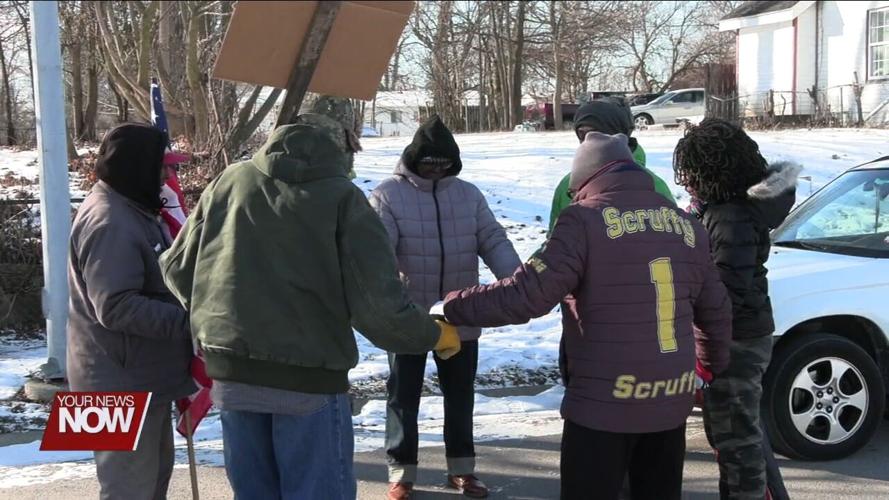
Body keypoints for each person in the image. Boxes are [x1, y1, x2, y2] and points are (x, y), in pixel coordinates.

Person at [160, 114, 461, 500]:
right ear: (337, 147)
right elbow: (378, 308)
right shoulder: (342, 198)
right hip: (309, 379)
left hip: (232, 376)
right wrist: (432, 334)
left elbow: (176, 268)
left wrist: (218, 315)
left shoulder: (229, 181)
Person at [439, 132, 733, 500]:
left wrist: (451, 306)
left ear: (588, 178)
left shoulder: (582, 221)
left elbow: (526, 295)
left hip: (602, 405)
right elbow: (716, 312)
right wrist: (711, 367)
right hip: (669, 399)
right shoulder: (687, 226)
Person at [369, 115, 521, 500]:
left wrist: (519, 283)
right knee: (403, 397)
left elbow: (494, 240)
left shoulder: (468, 195)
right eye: (428, 164)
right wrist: (386, 301)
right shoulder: (388, 195)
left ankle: (462, 469)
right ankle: (401, 472)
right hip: (409, 317)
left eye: (444, 164)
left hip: (459, 313)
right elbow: (377, 255)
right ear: (413, 160)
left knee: (460, 396)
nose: (436, 171)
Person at [67, 123, 195, 500]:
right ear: (137, 167)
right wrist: (192, 322)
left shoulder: (129, 208)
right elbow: (116, 306)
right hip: (115, 385)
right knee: (129, 492)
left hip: (137, 377)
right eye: (162, 167)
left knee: (149, 487)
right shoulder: (110, 220)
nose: (169, 176)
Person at [674, 118, 800, 500]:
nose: (687, 181)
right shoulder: (725, 209)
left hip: (736, 339)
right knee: (738, 434)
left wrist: (702, 336)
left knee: (737, 442)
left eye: (693, 171)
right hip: (741, 333)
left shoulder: (730, 215)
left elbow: (725, 290)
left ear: (714, 170)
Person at [549, 97, 675, 233]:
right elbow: (554, 238)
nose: (587, 140)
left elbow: (676, 239)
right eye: (581, 133)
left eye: (595, 133)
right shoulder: (568, 186)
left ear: (618, 134)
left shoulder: (653, 186)